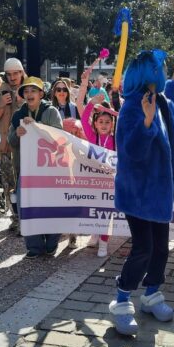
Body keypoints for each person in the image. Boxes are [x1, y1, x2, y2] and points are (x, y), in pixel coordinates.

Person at [111, 50, 174, 335]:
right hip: (138, 192)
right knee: (143, 249)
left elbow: (171, 109)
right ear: (150, 72)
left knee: (161, 249)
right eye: (161, 68)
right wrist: (146, 122)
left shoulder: (160, 99)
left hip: (160, 191)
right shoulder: (132, 106)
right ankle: (121, 301)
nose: (163, 71)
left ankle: (152, 294)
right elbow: (131, 152)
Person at [8, 76, 63, 259]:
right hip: (26, 169)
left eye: (33, 91)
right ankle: (34, 247)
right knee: (26, 207)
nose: (29, 94)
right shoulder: (18, 114)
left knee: (51, 207)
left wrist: (37, 127)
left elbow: (59, 136)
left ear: (41, 94)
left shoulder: (51, 111)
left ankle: (51, 243)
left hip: (49, 168)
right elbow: (11, 141)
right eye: (26, 91)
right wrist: (17, 133)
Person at [0, 58, 26, 232]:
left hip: (27, 147)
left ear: (21, 72)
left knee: (26, 183)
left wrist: (21, 102)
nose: (12, 77)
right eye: (9, 74)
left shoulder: (30, 88)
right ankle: (15, 217)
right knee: (9, 185)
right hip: (5, 148)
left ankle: (27, 217)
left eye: (15, 73)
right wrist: (1, 105)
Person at [80, 90, 118, 258]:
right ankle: (95, 233)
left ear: (112, 124)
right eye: (100, 121)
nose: (103, 125)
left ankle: (104, 242)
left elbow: (125, 124)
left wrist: (114, 112)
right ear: (95, 123)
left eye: (107, 122)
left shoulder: (116, 140)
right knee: (94, 210)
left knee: (106, 213)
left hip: (110, 182)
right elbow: (83, 119)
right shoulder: (92, 137)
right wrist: (91, 103)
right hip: (94, 181)